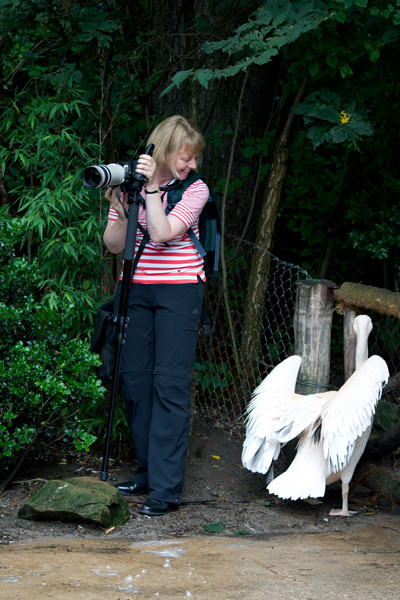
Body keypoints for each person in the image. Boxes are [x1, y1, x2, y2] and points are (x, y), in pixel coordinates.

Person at [103, 115, 209, 516]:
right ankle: (147, 472)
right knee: (136, 381)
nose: (192, 165)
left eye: (194, 158)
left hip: (180, 291)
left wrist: (151, 190)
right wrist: (120, 206)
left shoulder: (194, 190)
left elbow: (164, 233)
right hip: (137, 288)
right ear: (164, 151)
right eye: (186, 157)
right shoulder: (133, 187)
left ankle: (166, 490)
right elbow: (114, 245)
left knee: (169, 383)